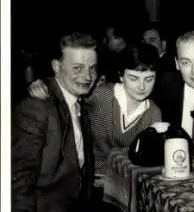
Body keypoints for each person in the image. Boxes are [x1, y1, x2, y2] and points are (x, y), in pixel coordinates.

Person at [12, 32, 99, 212]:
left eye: (92, 68)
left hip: (76, 211)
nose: (87, 76)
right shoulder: (37, 107)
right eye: (77, 68)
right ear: (56, 67)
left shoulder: (79, 102)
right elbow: (18, 180)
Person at [29, 42, 163, 176]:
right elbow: (65, 93)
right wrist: (43, 84)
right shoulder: (100, 94)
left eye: (149, 79)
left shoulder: (154, 114)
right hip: (84, 178)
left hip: (122, 184)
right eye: (134, 78)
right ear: (121, 76)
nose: (142, 86)